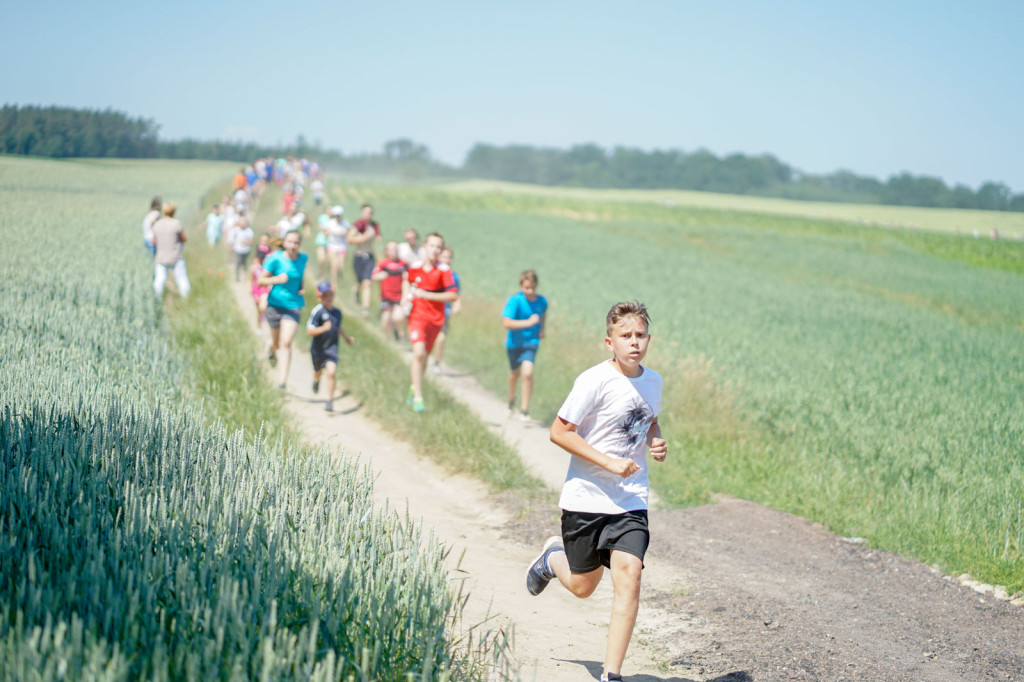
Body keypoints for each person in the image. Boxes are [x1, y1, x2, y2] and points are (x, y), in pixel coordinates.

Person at [525, 301, 667, 682]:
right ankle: (552, 559)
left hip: (631, 499)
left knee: (630, 575)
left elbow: (649, 419)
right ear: (609, 342)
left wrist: (656, 441)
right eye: (626, 336)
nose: (633, 343)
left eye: (640, 335)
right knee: (583, 587)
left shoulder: (653, 381)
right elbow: (559, 432)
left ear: (649, 339)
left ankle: (611, 674)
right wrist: (609, 463)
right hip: (586, 497)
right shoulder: (593, 380)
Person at [405, 232, 458, 413]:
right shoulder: (415, 267)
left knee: (424, 357)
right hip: (417, 317)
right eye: (432, 246)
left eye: (439, 247)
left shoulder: (444, 271)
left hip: (435, 320)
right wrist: (406, 298)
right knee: (418, 353)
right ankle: (419, 398)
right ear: (424, 247)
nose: (435, 250)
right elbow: (408, 281)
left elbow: (452, 295)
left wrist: (427, 295)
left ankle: (415, 386)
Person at [257, 230, 308, 390]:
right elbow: (260, 281)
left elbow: (300, 275)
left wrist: (302, 287)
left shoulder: (303, 258)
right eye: (290, 242)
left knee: (286, 342)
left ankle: (282, 382)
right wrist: (277, 279)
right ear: (284, 243)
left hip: (293, 306)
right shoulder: (275, 258)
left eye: (296, 243)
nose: (293, 246)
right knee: (277, 343)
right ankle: (271, 351)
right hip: (275, 304)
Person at [501, 269, 547, 421]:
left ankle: (524, 409)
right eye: (527, 288)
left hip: (531, 342)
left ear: (537, 285)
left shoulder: (542, 301)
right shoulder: (515, 301)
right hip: (514, 343)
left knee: (527, 373)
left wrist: (542, 328)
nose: (530, 291)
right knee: (514, 374)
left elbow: (543, 315)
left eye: (533, 287)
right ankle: (511, 399)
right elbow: (506, 323)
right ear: (521, 286)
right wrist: (528, 323)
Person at [306, 281, 354, 412]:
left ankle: (329, 401)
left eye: (330, 295)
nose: (329, 298)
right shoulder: (317, 312)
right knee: (318, 371)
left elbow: (338, 328)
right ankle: (316, 380)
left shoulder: (337, 313)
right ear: (319, 297)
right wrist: (323, 329)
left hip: (332, 349)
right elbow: (309, 331)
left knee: (331, 373)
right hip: (318, 349)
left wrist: (346, 338)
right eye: (325, 296)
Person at [151, 202, 191, 299]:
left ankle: (156, 300)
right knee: (182, 279)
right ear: (173, 211)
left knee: (159, 281)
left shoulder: (157, 224)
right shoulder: (176, 223)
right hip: (176, 256)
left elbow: (153, 241)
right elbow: (183, 238)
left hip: (161, 257)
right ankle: (186, 299)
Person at [431, 246, 460, 374]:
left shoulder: (454, 276)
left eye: (449, 257)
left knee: (441, 338)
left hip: (444, 311)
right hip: (429, 310)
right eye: (444, 257)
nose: (446, 260)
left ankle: (437, 362)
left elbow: (456, 293)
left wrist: (457, 305)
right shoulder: (432, 272)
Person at [371, 240, 409, 341]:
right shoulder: (383, 263)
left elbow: (408, 279)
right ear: (387, 251)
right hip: (386, 297)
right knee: (385, 320)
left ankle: (395, 330)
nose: (394, 252)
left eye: (395, 249)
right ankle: (387, 340)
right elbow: (373, 276)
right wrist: (380, 276)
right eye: (391, 249)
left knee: (399, 318)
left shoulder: (403, 264)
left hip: (398, 297)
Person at [349, 203, 381, 318]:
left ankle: (365, 309)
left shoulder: (374, 225)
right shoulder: (358, 225)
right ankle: (356, 291)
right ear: (362, 213)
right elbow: (350, 239)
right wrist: (363, 237)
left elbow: (377, 237)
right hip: (359, 256)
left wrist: (376, 236)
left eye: (370, 212)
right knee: (359, 282)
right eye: (366, 212)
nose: (368, 215)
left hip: (370, 256)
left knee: (367, 282)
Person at [322, 205, 349, 290]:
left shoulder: (345, 223)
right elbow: (325, 233)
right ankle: (334, 283)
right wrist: (329, 233)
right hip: (332, 246)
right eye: (336, 215)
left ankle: (339, 277)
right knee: (334, 265)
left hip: (342, 246)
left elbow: (347, 232)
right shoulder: (330, 223)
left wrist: (341, 233)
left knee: (340, 266)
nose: (337, 217)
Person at [250, 247, 271, 328]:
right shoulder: (254, 268)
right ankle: (259, 325)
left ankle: (264, 315)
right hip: (256, 290)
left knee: (263, 307)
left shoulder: (267, 268)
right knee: (258, 309)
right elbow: (250, 279)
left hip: (264, 289)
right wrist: (249, 288)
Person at [231, 217, 254, 282]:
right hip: (238, 249)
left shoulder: (249, 230)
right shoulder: (236, 230)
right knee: (237, 263)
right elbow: (232, 239)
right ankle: (237, 276)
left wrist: (246, 242)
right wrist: (232, 247)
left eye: (244, 223)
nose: (243, 224)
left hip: (246, 250)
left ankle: (245, 276)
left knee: (244, 263)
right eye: (241, 223)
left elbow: (251, 240)